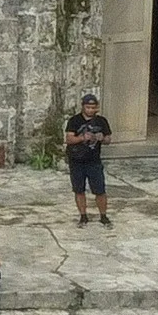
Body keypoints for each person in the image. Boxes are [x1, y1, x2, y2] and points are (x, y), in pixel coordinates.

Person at [62, 91, 114, 228]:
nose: (90, 110)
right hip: (77, 160)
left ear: (96, 108)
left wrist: (103, 138)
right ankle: (83, 216)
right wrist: (82, 138)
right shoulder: (74, 121)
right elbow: (69, 139)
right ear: (83, 107)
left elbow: (109, 139)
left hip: (93, 160)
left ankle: (103, 216)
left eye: (93, 107)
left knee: (100, 190)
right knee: (79, 190)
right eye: (88, 107)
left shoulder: (101, 121)